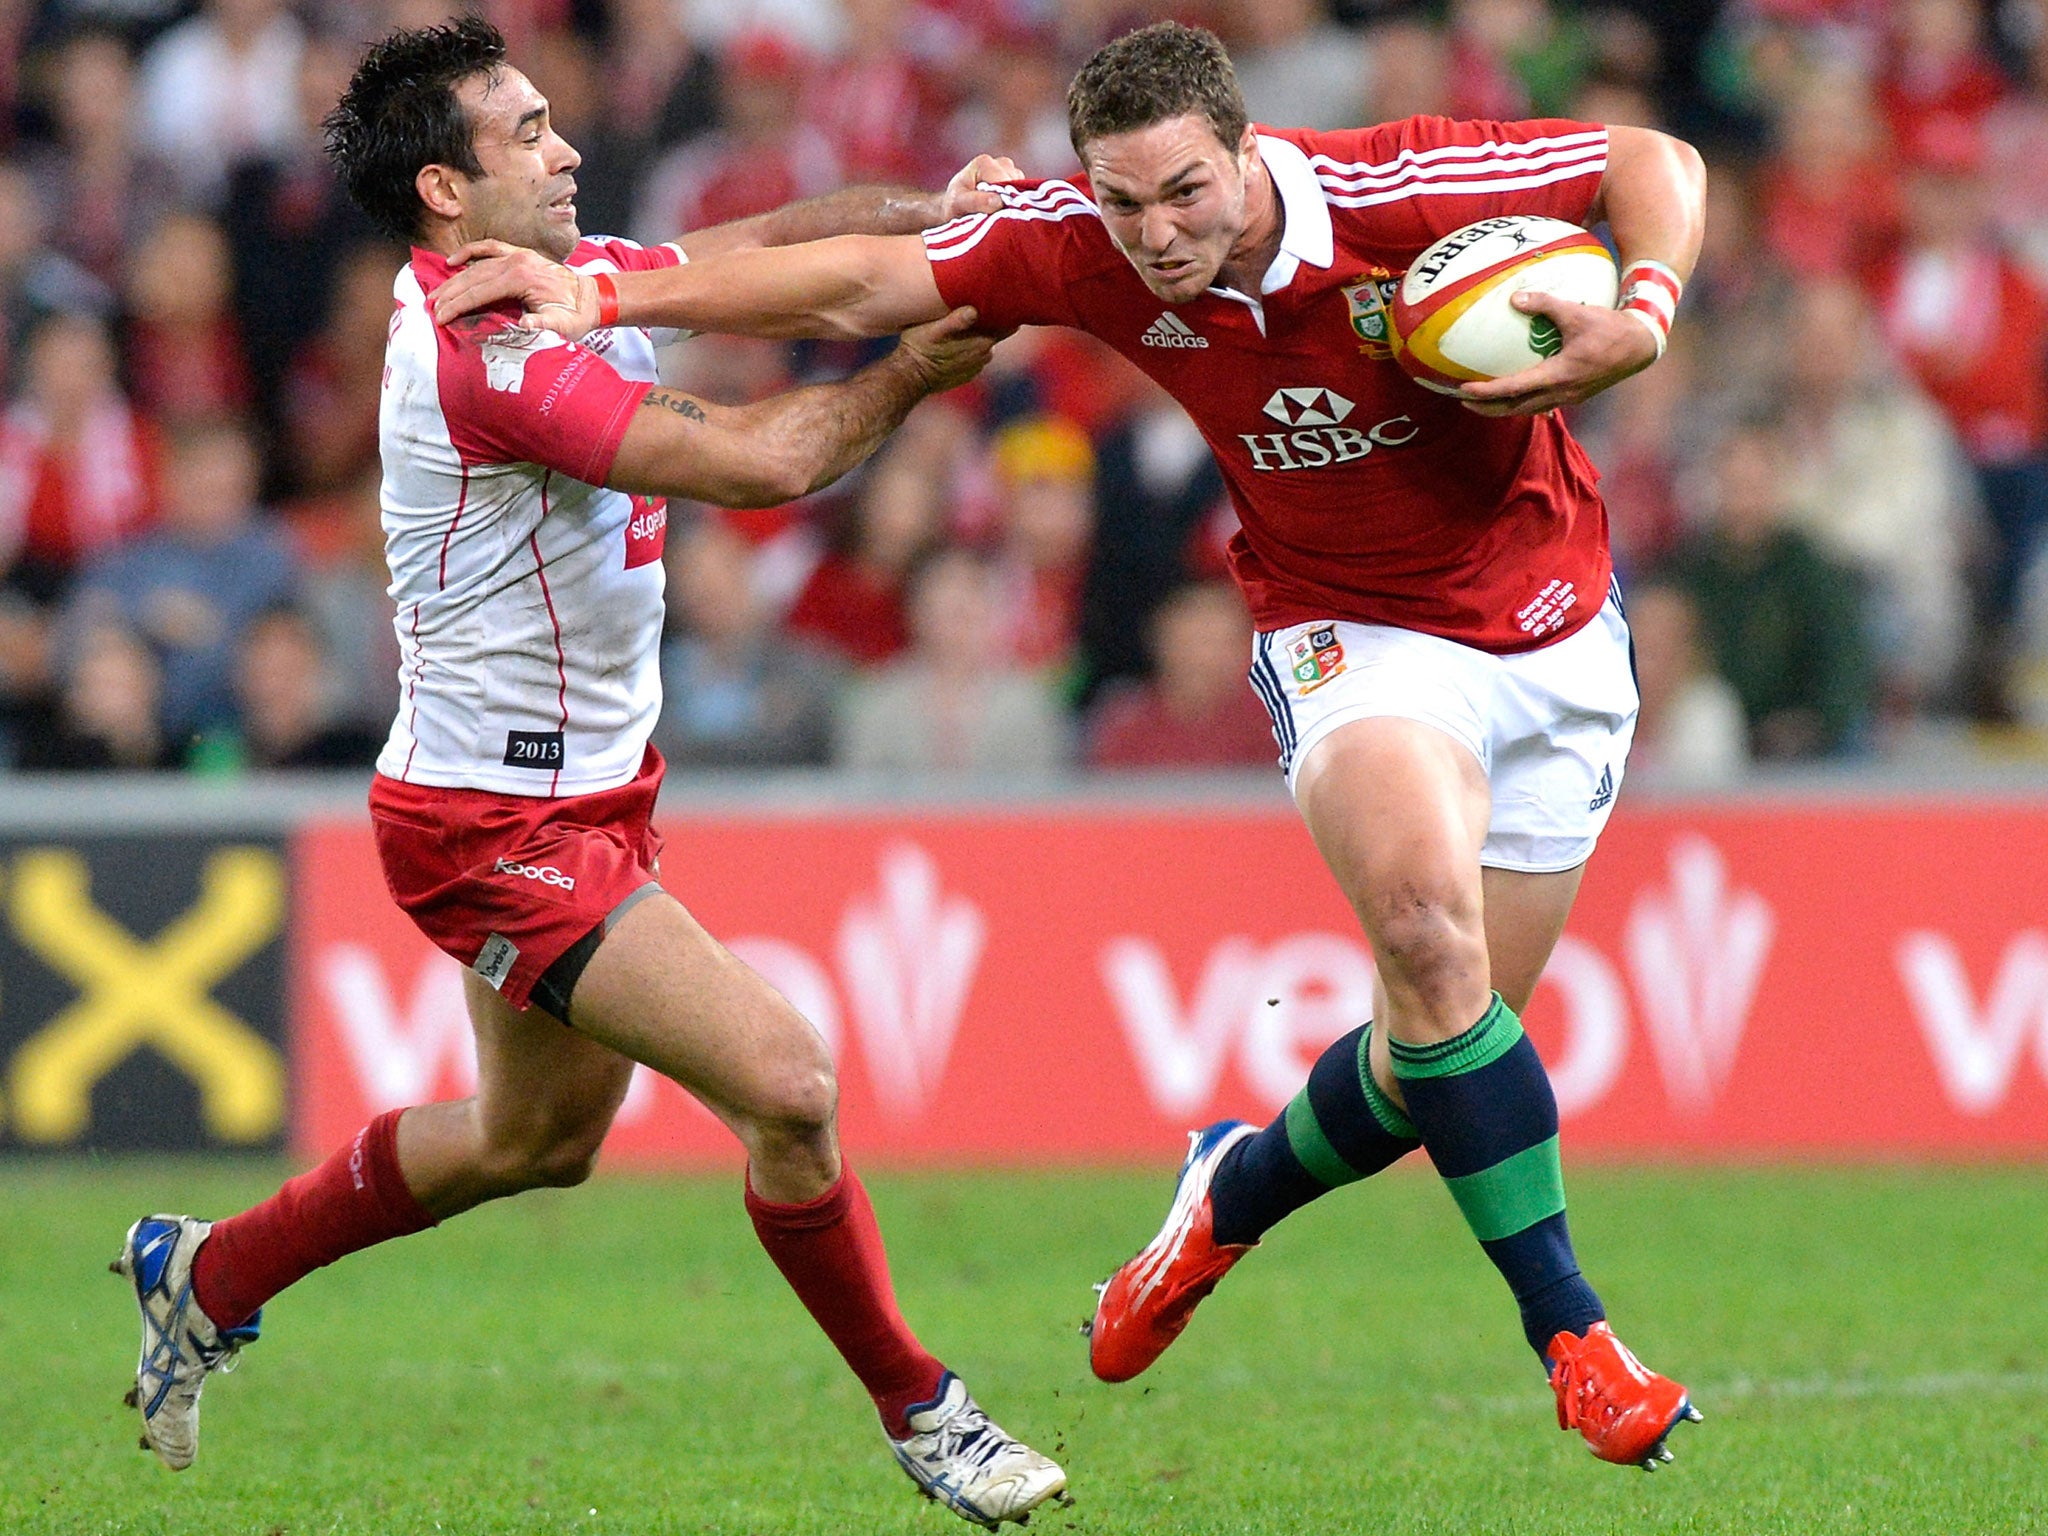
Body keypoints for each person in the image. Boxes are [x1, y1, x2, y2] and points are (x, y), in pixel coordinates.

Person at [437, 18, 1709, 1471]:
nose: (1156, 235)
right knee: (1429, 942)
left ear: (1247, 152)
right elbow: (865, 273)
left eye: (1185, 193)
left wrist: (1648, 309)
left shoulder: (1390, 191)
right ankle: (1577, 1342)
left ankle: (1228, 1198)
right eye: (1122, 200)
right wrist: (600, 288)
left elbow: (1649, 159)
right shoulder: (1082, 246)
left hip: (1556, 635)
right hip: (1350, 634)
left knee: (1441, 1061)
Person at [109, 20, 1067, 1529]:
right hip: (492, 822)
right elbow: (764, 464)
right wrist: (914, 372)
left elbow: (743, 248)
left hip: (585, 794)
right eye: (530, 132)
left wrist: (924, 211)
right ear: (443, 186)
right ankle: (926, 1412)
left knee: (531, 1144)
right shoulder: (487, 354)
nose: (565, 150)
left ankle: (205, 1273)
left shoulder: (550, 279)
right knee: (791, 1085)